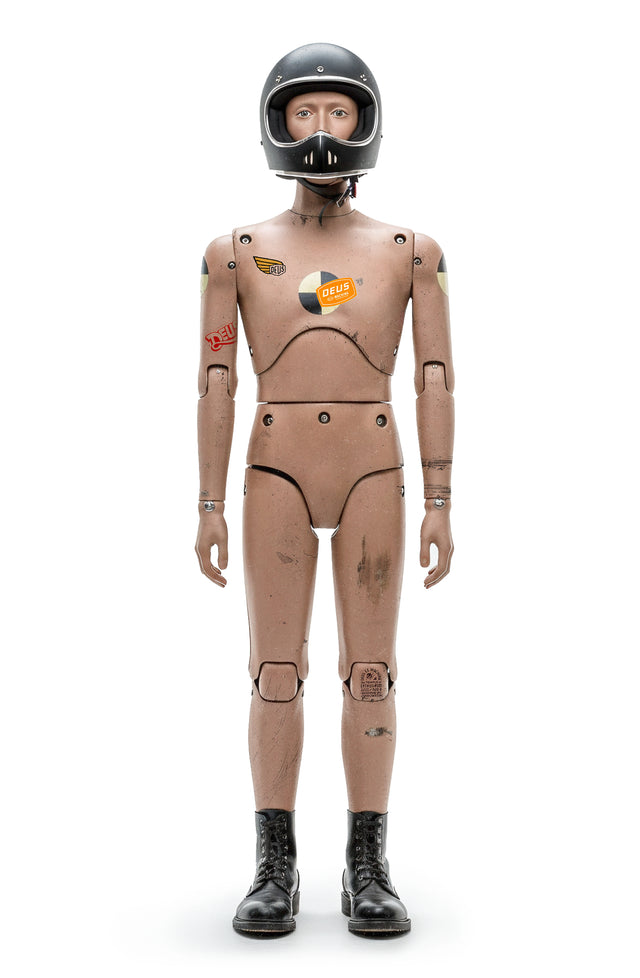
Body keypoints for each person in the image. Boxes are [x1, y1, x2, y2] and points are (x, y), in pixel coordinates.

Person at [195, 42, 454, 937]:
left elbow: (435, 378)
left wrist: (441, 501)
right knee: (275, 673)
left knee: (372, 673)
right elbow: (216, 379)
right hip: (274, 467)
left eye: (337, 111)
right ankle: (275, 864)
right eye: (303, 111)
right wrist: (208, 506)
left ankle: (366, 864)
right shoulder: (235, 252)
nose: (320, 130)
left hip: (375, 467)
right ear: (276, 122)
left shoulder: (409, 252)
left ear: (364, 121)